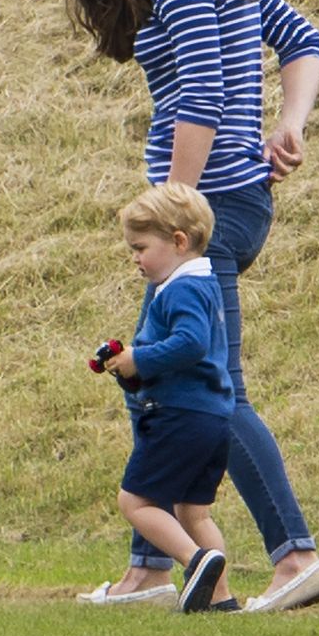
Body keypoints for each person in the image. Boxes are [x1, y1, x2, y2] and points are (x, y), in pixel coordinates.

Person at [61, 0, 319, 612]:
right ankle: (152, 568)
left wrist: (173, 209)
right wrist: (291, 123)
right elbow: (304, 40)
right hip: (237, 203)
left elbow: (202, 100)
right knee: (165, 376)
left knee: (217, 389)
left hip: (202, 208)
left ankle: (295, 557)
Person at [106, 182, 233, 612]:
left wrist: (139, 358)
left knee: (135, 500)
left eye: (141, 247)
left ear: (179, 241)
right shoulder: (205, 284)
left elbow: (190, 344)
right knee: (193, 511)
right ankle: (220, 599)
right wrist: (130, 373)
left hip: (181, 415)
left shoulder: (180, 288)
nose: (135, 259)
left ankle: (195, 562)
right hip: (212, 416)